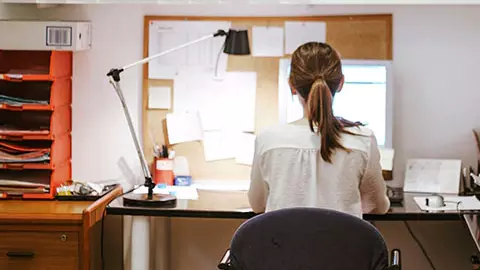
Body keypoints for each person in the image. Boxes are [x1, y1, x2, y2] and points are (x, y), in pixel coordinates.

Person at [248, 42, 390, 218]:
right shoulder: (362, 139)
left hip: (284, 245)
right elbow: (377, 207)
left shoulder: (268, 140)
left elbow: (257, 205)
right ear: (340, 84)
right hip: (342, 245)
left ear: (292, 86)